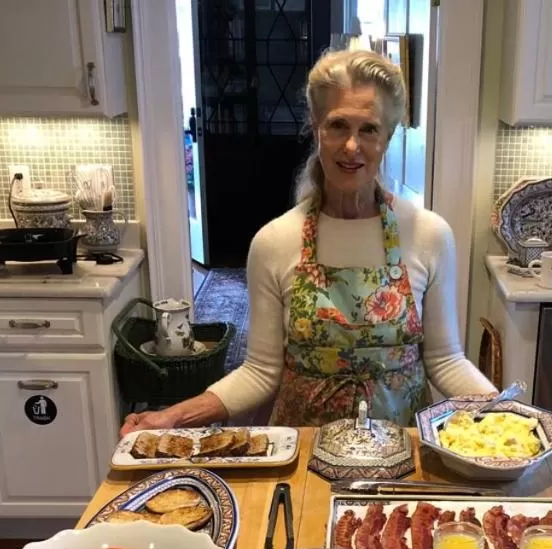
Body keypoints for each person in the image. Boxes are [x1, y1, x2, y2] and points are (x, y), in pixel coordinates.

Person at [121, 49, 494, 436]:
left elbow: (445, 361)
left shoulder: (430, 236)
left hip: (401, 455)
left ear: (389, 137)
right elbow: (260, 372)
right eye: (337, 126)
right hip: (303, 459)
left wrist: (508, 411)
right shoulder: (275, 242)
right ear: (316, 127)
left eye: (368, 129)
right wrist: (172, 417)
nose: (352, 146)